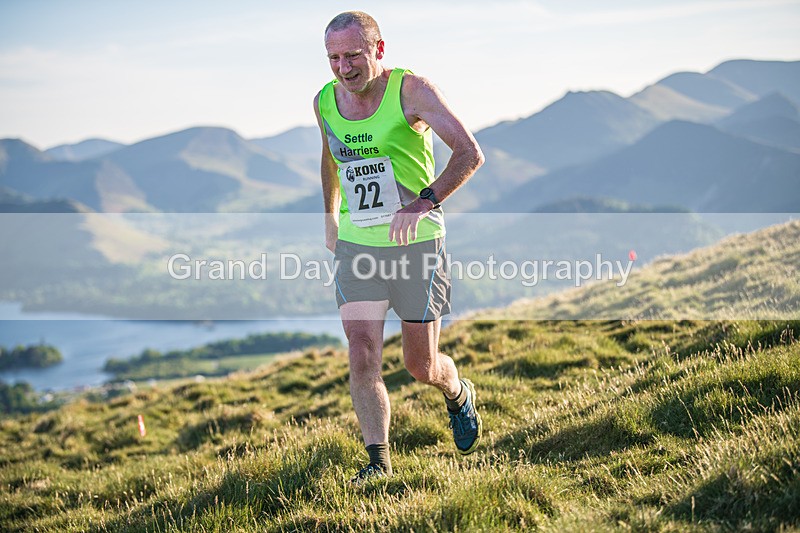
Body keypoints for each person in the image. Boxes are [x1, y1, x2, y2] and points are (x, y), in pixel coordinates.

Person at [313, 11, 485, 485]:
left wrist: (424, 202)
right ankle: (378, 464)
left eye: (352, 55)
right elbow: (330, 156)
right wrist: (330, 218)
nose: (343, 68)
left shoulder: (413, 91)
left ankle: (456, 392)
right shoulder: (325, 101)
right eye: (333, 58)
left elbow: (470, 153)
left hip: (416, 244)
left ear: (378, 50)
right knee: (362, 350)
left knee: (420, 364)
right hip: (357, 244)